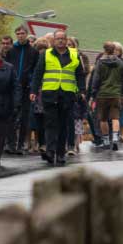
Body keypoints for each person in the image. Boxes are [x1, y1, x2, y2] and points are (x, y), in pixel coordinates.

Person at [31, 32, 82, 166]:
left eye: (62, 39)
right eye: (58, 39)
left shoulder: (74, 54)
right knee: (50, 123)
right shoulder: (46, 54)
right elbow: (38, 72)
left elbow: (79, 74)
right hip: (50, 93)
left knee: (63, 125)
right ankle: (50, 151)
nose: (60, 41)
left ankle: (60, 153)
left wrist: (82, 90)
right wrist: (34, 90)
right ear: (54, 41)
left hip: (67, 94)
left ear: (66, 40)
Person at [88, 42, 123, 151]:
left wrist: (93, 93)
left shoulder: (100, 63)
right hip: (116, 94)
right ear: (114, 50)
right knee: (115, 117)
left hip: (102, 94)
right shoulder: (120, 63)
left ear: (104, 50)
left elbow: (96, 80)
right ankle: (115, 137)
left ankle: (105, 140)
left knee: (103, 118)